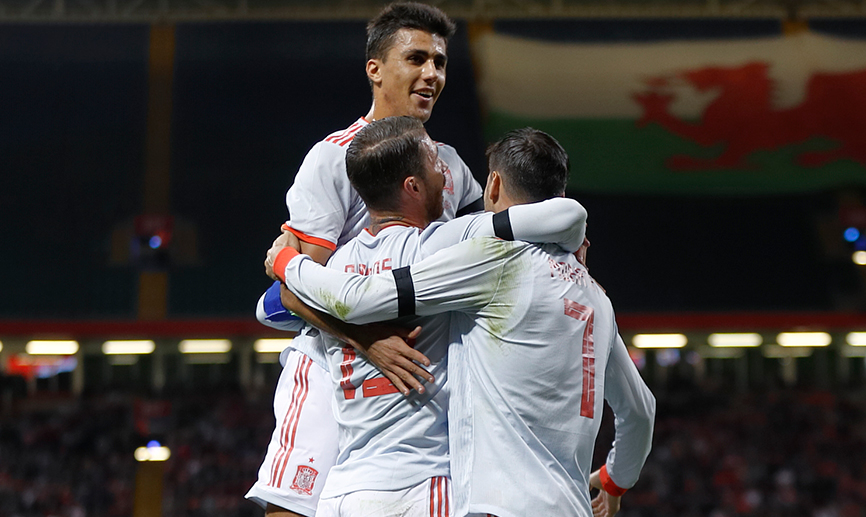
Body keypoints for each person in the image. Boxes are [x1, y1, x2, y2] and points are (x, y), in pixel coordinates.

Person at [269, 128, 656, 517]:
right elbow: (641, 411)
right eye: (437, 166)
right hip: (552, 505)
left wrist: (289, 265)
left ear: (495, 184)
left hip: (381, 493)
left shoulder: (484, 262)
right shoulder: (596, 300)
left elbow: (353, 298)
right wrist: (613, 481)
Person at [246, 4, 484, 516]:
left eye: (440, 62)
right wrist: (368, 341)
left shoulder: (454, 169)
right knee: (291, 505)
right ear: (375, 69)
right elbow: (294, 287)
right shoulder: (333, 158)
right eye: (417, 58)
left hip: (423, 368)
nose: (432, 74)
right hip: (337, 363)